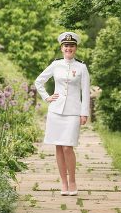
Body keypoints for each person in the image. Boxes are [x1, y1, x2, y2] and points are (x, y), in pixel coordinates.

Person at [34, 32, 90, 196]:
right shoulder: (56, 64)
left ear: (76, 48)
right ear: (61, 48)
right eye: (66, 46)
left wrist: (84, 113)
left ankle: (72, 180)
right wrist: (47, 97)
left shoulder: (81, 67)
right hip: (56, 111)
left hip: (73, 112)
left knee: (67, 147)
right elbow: (38, 81)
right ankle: (63, 183)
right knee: (58, 146)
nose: (69, 48)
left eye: (71, 46)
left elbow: (85, 91)